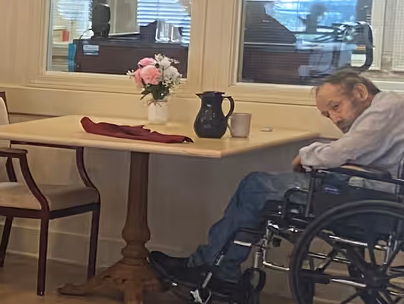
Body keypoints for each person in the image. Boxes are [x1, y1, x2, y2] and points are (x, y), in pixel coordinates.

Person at [153, 69, 404, 290]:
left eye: (336, 107)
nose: (336, 120)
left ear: (360, 92)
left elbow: (342, 151)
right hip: (373, 192)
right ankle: (214, 263)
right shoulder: (388, 111)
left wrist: (305, 156)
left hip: (369, 197)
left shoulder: (386, 107)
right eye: (327, 115)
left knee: (256, 187)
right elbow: (353, 151)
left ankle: (213, 266)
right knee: (255, 185)